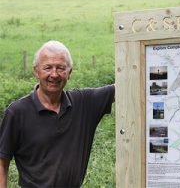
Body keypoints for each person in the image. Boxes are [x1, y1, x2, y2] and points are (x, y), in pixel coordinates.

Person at [0, 40, 115, 187]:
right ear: (36, 71)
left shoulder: (84, 103)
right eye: (47, 67)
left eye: (61, 68)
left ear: (69, 73)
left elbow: (123, 87)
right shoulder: (17, 112)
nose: (54, 74)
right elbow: (2, 162)